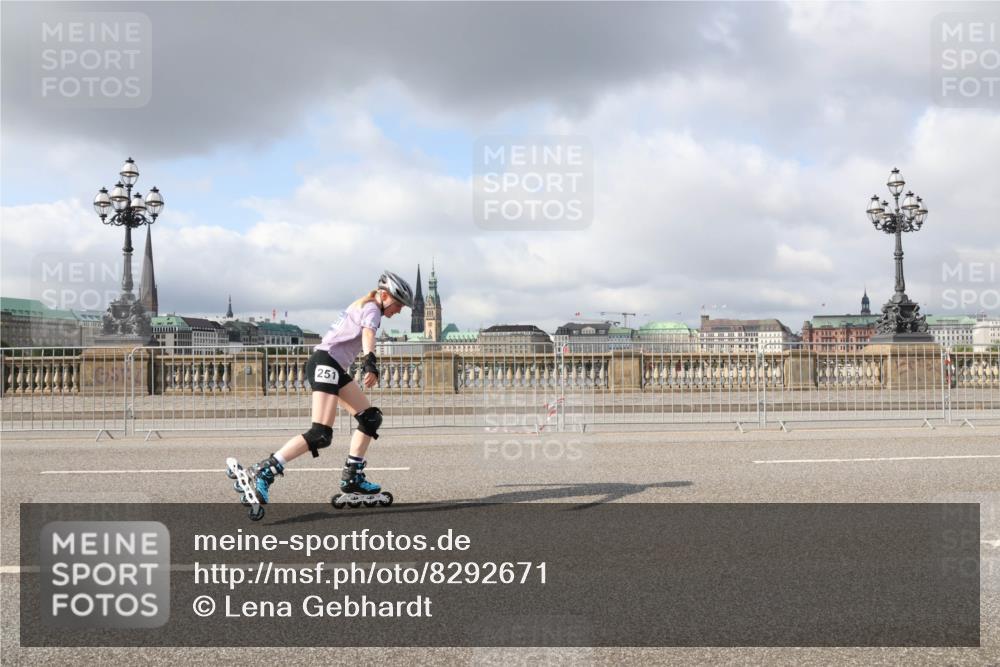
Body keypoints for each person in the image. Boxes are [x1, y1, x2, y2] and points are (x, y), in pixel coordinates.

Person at [243, 270, 413, 504]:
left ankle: (352, 476)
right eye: (399, 304)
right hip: (326, 363)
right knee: (320, 433)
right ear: (384, 296)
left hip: (333, 366)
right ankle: (266, 469)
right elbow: (368, 334)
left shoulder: (365, 305)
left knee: (370, 419)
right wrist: (370, 362)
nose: (400, 310)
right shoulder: (372, 308)